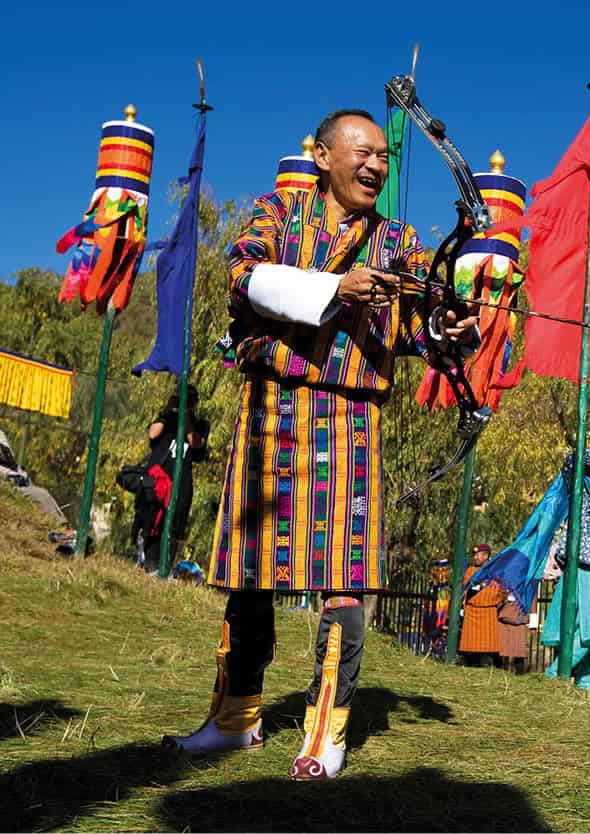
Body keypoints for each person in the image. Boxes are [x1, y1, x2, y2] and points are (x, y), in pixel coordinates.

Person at [161, 109, 480, 781]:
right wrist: (336, 287)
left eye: (383, 158)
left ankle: (325, 733)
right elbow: (243, 280)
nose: (374, 165)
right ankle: (233, 720)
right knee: (250, 571)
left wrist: (452, 335)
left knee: (342, 576)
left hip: (348, 416)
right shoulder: (277, 212)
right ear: (324, 157)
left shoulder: (400, 240)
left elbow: (418, 329)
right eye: (361, 152)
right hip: (270, 407)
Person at [468, 448, 590, 690]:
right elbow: (571, 460)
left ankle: (586, 689)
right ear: (586, 467)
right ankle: (554, 678)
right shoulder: (578, 490)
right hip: (586, 568)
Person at [130, 385, 209, 569]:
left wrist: (186, 419)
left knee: (173, 524)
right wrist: (168, 413)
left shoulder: (201, 425)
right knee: (148, 517)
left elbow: (197, 444)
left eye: (188, 401)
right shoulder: (165, 419)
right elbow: (153, 433)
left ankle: (161, 566)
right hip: (156, 480)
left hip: (180, 484)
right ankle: (143, 559)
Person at [459, 544, 502, 667]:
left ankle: (487, 664)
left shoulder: (494, 571)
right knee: (470, 645)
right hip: (472, 611)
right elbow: (465, 587)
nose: (476, 557)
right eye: (475, 555)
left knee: (487, 646)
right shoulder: (470, 571)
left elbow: (500, 590)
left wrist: (491, 600)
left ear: (486, 556)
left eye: (479, 555)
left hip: (488, 612)